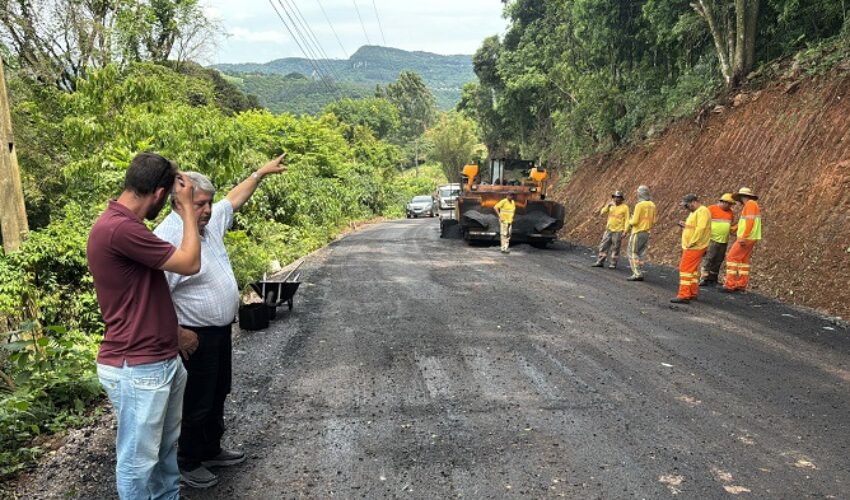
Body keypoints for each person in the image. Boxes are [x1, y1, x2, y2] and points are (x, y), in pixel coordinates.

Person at [154, 154, 287, 488]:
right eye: (200, 203)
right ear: (179, 201)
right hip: (193, 336)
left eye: (208, 203)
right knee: (195, 400)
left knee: (218, 392)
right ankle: (188, 460)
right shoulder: (168, 236)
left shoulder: (207, 223)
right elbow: (155, 295)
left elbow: (233, 200)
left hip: (219, 331)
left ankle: (211, 449)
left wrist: (259, 174)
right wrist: (177, 333)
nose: (208, 209)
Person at [87, 152, 202, 500]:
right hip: (138, 366)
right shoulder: (120, 229)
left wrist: (173, 333)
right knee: (138, 461)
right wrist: (187, 212)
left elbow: (142, 296)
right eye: (167, 197)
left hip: (157, 359)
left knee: (165, 452)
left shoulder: (126, 226)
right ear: (158, 193)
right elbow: (190, 262)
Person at [671, 194, 711, 304]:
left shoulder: (702, 211)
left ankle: (684, 295)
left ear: (693, 202)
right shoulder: (694, 213)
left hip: (695, 246)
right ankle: (692, 292)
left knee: (685, 269)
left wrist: (693, 242)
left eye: (687, 205)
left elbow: (701, 228)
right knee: (692, 270)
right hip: (694, 245)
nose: (686, 208)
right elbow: (694, 227)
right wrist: (684, 225)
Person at [723, 187, 762, 292]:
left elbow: (750, 222)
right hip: (751, 237)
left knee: (732, 257)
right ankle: (741, 283)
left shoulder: (750, 205)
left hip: (747, 237)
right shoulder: (751, 205)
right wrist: (735, 228)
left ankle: (729, 284)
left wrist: (743, 237)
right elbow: (744, 222)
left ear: (741, 197)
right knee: (743, 260)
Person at [699, 193, 738, 286]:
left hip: (724, 241)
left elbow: (730, 226)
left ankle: (713, 278)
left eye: (731, 204)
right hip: (712, 239)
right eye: (728, 203)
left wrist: (737, 227)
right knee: (709, 258)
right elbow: (703, 223)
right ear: (722, 202)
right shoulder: (711, 209)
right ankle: (704, 278)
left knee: (718, 260)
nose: (729, 206)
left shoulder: (730, 213)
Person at [626, 185, 657, 281]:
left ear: (640, 193)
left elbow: (634, 221)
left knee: (632, 252)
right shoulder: (652, 205)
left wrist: (629, 220)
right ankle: (639, 271)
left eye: (637, 192)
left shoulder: (639, 205)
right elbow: (654, 220)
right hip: (646, 232)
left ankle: (637, 273)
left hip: (637, 232)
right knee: (640, 253)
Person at [592, 190, 629, 269]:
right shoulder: (611, 205)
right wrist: (608, 206)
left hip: (618, 231)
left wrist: (625, 231)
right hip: (609, 229)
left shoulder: (625, 208)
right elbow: (602, 212)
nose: (616, 199)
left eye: (618, 197)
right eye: (615, 197)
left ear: (622, 199)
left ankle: (613, 263)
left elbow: (627, 220)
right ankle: (600, 261)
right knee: (603, 246)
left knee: (615, 248)